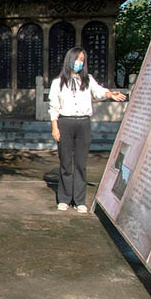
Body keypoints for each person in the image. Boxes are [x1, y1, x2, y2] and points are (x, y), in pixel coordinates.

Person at [49, 46, 127, 213]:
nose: (79, 63)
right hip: (65, 123)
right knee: (65, 162)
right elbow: (54, 107)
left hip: (83, 124)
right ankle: (64, 199)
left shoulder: (88, 79)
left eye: (82, 60)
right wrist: (55, 128)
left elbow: (99, 92)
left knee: (80, 163)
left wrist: (110, 94)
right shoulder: (58, 82)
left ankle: (79, 201)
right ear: (70, 60)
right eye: (77, 59)